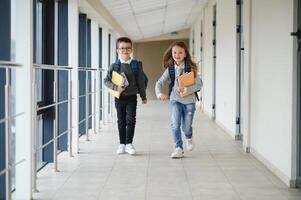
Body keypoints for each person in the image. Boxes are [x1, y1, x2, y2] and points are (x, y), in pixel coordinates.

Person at [155, 41, 202, 158]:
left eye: (180, 52)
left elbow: (199, 84)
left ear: (185, 54)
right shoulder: (170, 69)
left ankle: (189, 136)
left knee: (186, 127)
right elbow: (159, 82)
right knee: (175, 124)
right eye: (174, 52)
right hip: (175, 100)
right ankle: (178, 148)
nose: (177, 55)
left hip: (189, 101)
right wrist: (159, 93)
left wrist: (187, 90)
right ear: (172, 54)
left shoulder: (190, 69)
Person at [104, 37, 147, 155]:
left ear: (131, 50)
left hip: (132, 97)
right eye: (122, 48)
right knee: (121, 120)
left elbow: (141, 82)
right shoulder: (114, 66)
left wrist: (143, 96)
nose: (125, 50)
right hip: (119, 97)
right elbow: (106, 81)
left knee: (131, 120)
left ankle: (129, 144)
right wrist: (115, 88)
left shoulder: (136, 65)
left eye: (128, 48)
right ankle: (121, 144)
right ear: (117, 50)